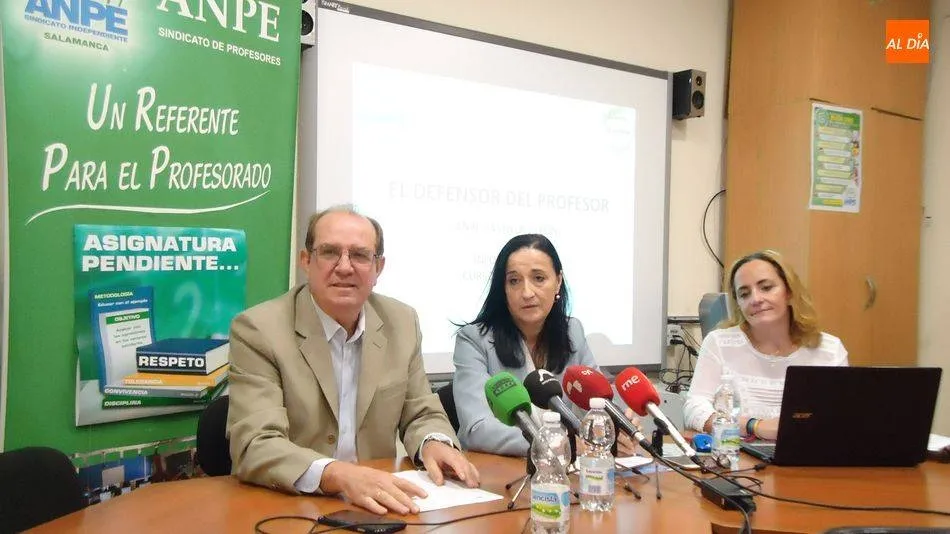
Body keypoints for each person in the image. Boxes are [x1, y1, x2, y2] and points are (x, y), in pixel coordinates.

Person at [227, 206, 479, 515]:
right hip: (291, 506)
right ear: (306, 261)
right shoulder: (259, 330)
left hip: (379, 508)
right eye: (330, 252)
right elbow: (255, 444)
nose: (344, 267)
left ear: (378, 267)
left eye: (360, 255)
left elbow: (420, 411)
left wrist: (434, 442)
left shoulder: (401, 321)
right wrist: (338, 475)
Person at [452, 234, 640, 457]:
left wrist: (615, 426)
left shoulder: (573, 332)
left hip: (570, 473)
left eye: (539, 278)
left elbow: (597, 402)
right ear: (503, 289)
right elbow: (477, 429)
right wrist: (556, 443)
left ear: (558, 281)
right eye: (514, 281)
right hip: (502, 471)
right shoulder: (474, 340)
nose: (527, 292)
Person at [683, 249, 849, 441]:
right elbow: (694, 408)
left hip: (808, 457)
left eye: (766, 288)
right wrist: (755, 426)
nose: (756, 299)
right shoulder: (719, 343)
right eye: (744, 294)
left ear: (788, 291)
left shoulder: (829, 350)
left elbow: (841, 417)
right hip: (740, 459)